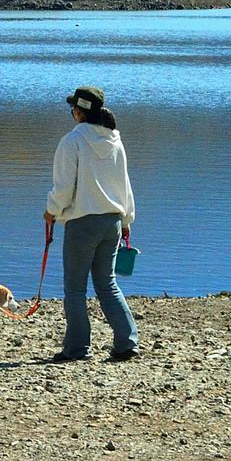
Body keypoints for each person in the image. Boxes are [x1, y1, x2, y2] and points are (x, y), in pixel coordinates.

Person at [43, 85, 139, 362]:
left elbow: (63, 188)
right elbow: (125, 185)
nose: (71, 111)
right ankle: (127, 342)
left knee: (75, 289)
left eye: (72, 107)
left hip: (81, 222)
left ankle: (77, 348)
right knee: (107, 285)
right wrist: (127, 219)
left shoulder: (71, 141)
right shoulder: (115, 141)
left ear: (78, 111)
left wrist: (51, 211)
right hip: (112, 222)